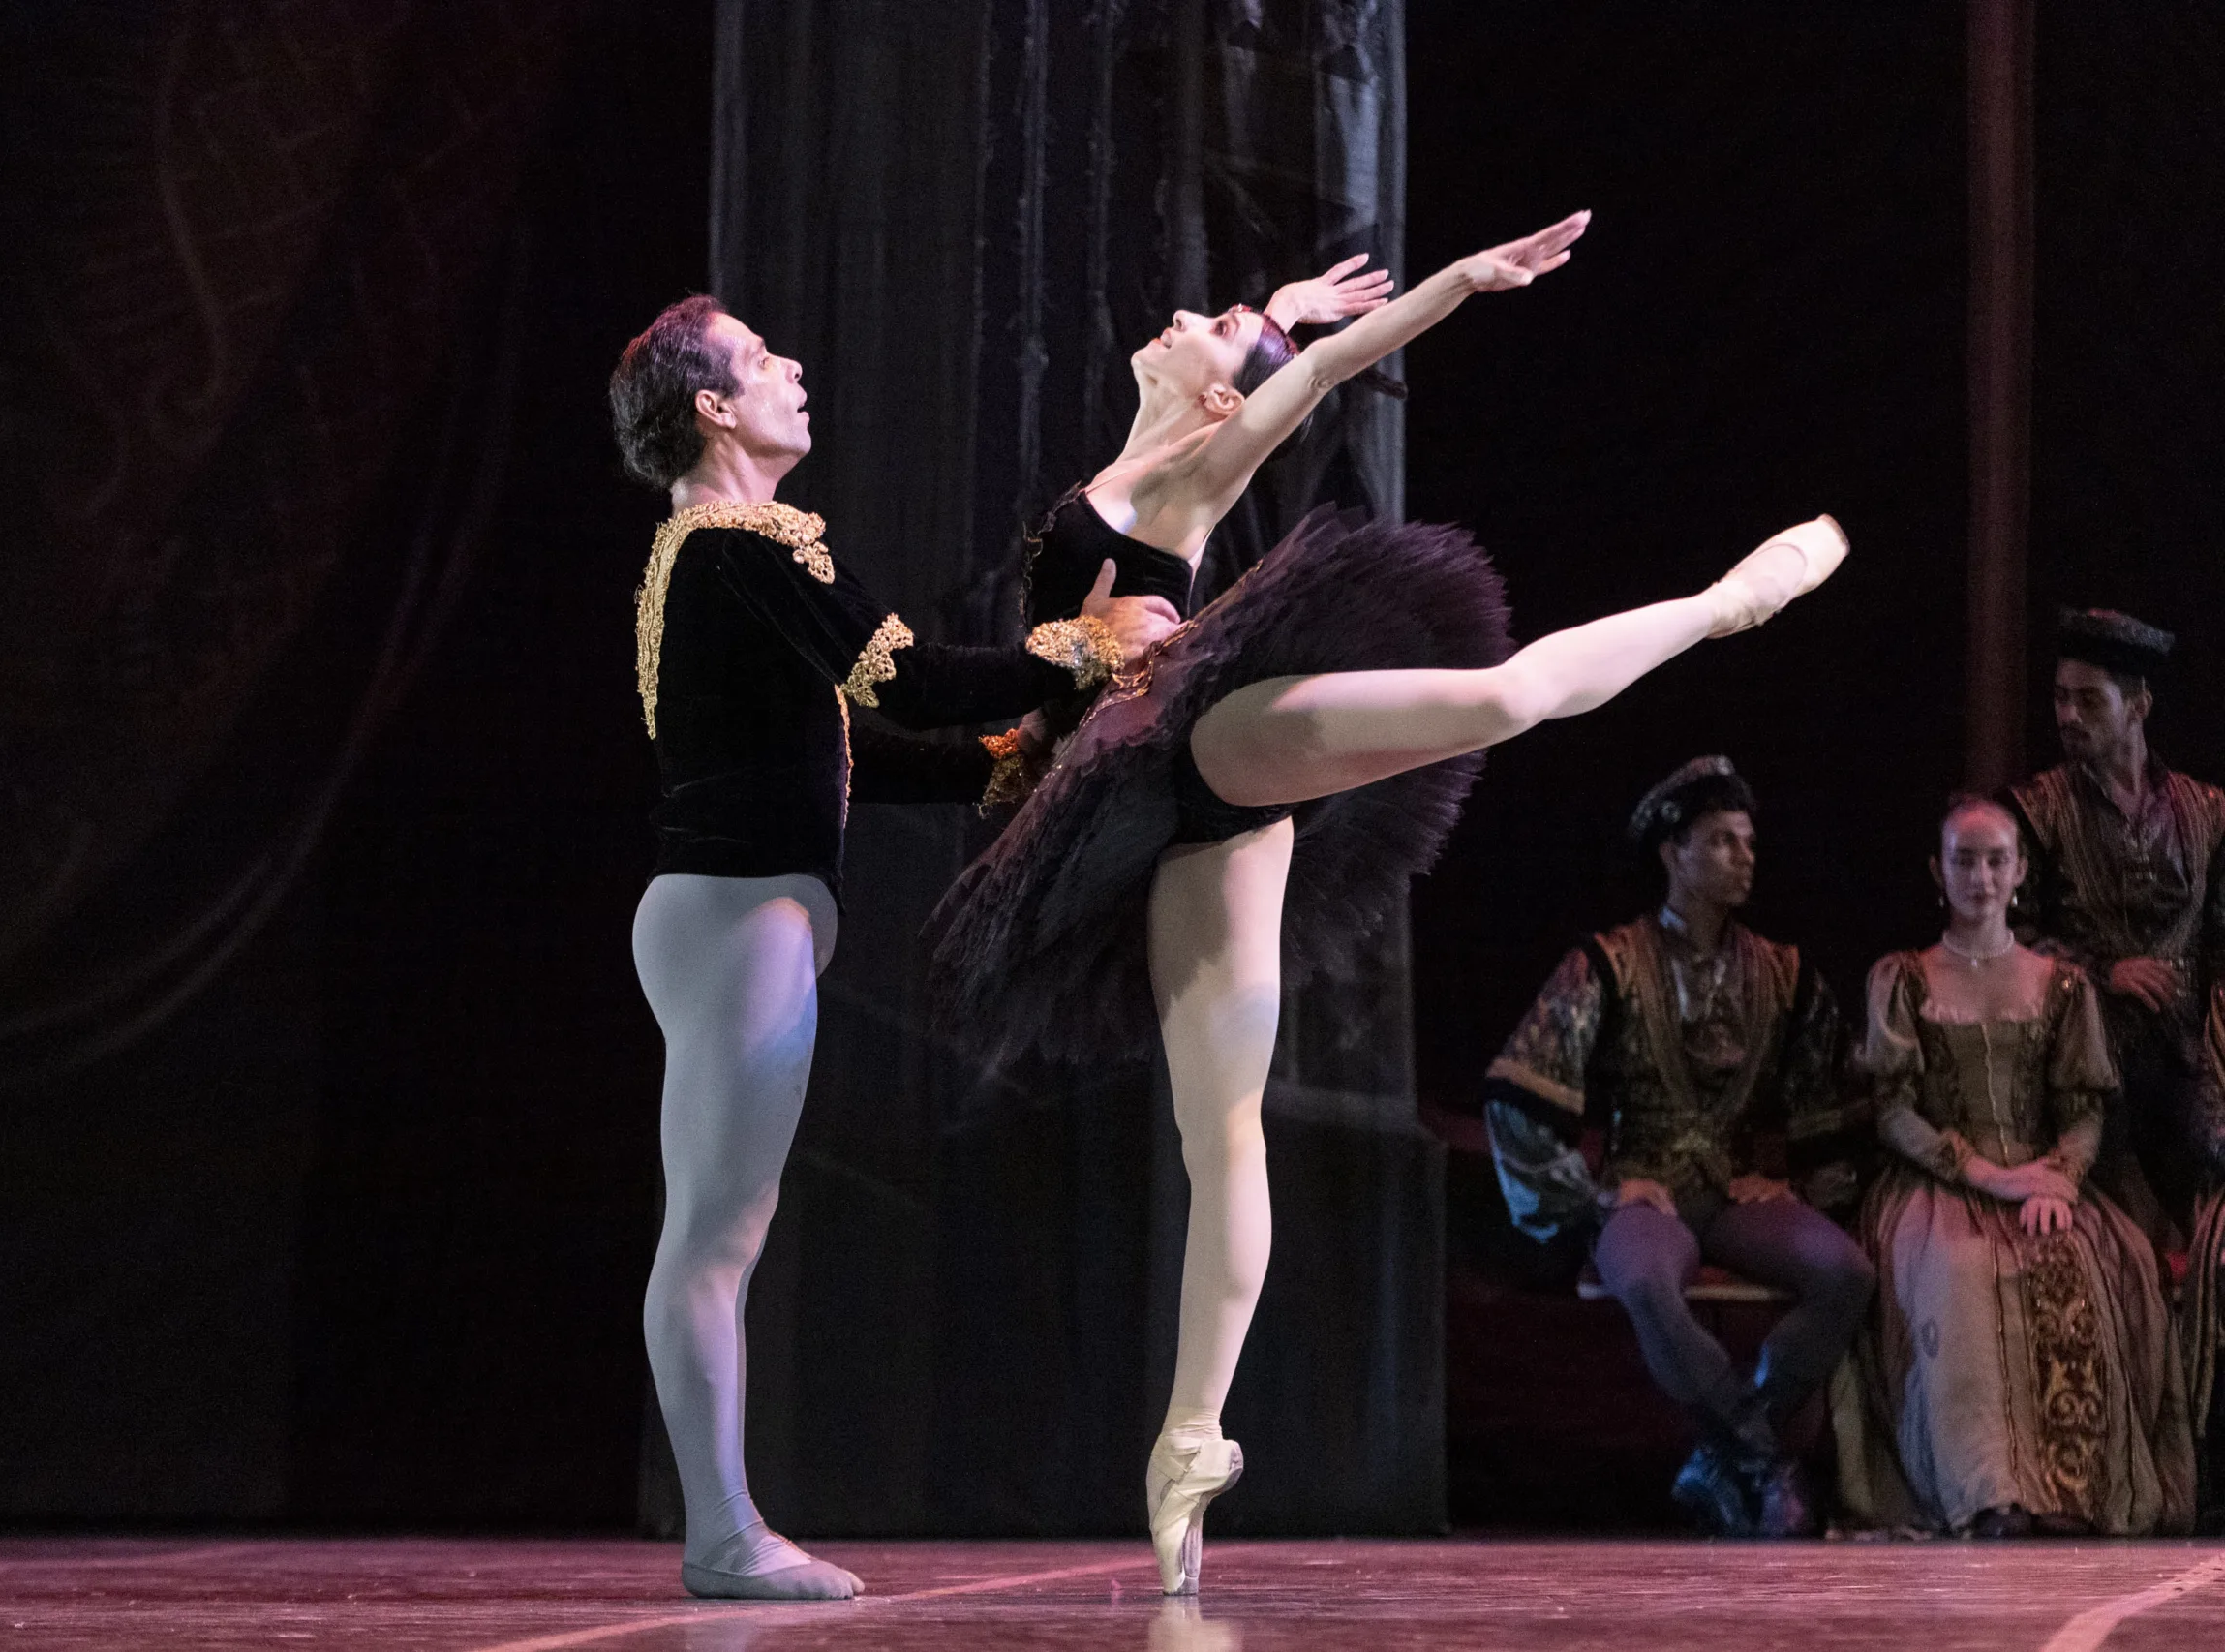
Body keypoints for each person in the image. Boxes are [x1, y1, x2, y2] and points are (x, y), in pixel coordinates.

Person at [931, 209, 1850, 1591]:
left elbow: (1321, 369)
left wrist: (1454, 287)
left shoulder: (1191, 455)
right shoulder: (1144, 445)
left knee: (1499, 696)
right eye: (1207, 316)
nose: (1191, 316)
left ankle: (1723, 607)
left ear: (1208, 391)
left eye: (1207, 324)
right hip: (1143, 810)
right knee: (1220, 1124)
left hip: (1207, 731)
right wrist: (1278, 311)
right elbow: (1284, 344)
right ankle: (1188, 1439)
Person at [608, 295, 1181, 1599]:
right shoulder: (741, 544)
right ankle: (721, 1534)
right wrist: (1081, 648)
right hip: (736, 909)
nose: (791, 366)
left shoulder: (716, 557)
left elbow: (854, 752)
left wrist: (1011, 759)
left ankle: (724, 1526)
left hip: (733, 908)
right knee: (713, 1239)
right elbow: (908, 678)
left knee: (716, 1235)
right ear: (711, 406)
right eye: (761, 358)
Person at [1481, 757, 1869, 1537]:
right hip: (1644, 1185)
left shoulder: (1784, 973)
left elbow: (1830, 1096)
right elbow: (1516, 1089)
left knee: (1847, 1274)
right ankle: (1760, 1456)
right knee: (1647, 1282)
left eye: (1749, 842)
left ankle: (1722, 1453)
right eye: (1722, 841)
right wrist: (1594, 1192)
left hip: (1731, 1189)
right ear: (1673, 854)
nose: (1744, 856)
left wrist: (1781, 1173)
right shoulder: (1609, 962)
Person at [1832, 796, 2194, 1536]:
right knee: (1964, 1275)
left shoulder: (2062, 986)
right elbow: (1894, 1111)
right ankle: (1989, 1494)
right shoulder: (1902, 978)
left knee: (2087, 1265)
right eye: (1965, 859)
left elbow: (2085, 1106)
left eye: (1997, 860)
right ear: (1940, 871)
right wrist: (1987, 1176)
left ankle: (2074, 1492)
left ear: (2021, 872)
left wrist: (2060, 1178)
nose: (1982, 876)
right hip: (1937, 1185)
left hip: (2045, 1181)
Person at [2001, 607, 2225, 1525]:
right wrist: (2097, 967)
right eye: (2058, 698)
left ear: (2138, 706)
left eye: (2087, 700)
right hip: (2086, 1069)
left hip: (2188, 1068)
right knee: (2133, 1252)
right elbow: (1998, 938)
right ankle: (2141, 1479)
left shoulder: (2208, 813)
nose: (2067, 715)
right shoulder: (2035, 812)